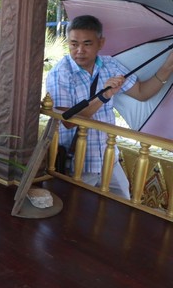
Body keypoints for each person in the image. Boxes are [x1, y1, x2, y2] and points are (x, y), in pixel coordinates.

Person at [46, 15, 173, 199]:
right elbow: (68, 121)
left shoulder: (110, 65)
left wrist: (168, 66)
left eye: (87, 44)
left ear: (101, 43)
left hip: (108, 157)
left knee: (123, 205)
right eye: (74, 44)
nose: (79, 50)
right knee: (77, 214)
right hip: (78, 161)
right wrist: (104, 95)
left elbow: (142, 93)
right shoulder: (61, 73)